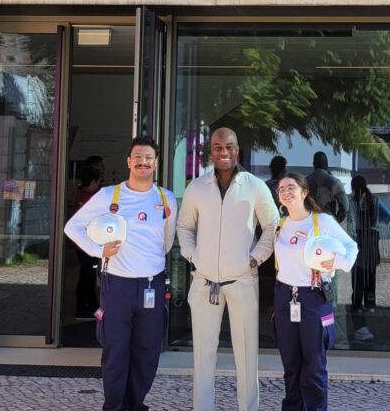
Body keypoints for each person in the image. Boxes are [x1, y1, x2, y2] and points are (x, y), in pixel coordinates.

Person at [65, 136, 177, 411]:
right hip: (117, 285)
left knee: (147, 352)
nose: (143, 162)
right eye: (137, 157)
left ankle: (135, 404)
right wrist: (97, 249)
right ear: (129, 161)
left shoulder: (166, 198)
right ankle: (114, 406)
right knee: (116, 351)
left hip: (152, 284)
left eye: (148, 157)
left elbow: (167, 241)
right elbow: (72, 227)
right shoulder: (108, 196)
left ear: (155, 162)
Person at [177, 127, 280, 411]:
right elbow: (184, 227)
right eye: (218, 147)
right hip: (204, 281)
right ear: (210, 150)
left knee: (247, 355)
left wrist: (254, 258)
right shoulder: (196, 187)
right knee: (203, 354)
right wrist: (193, 256)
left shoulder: (255, 186)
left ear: (238, 149)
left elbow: (272, 226)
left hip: (242, 281)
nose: (224, 152)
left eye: (230, 147)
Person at [273, 173, 357, 411]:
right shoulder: (279, 225)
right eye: (281, 190)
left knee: (314, 367)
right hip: (284, 298)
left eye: (291, 187)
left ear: (304, 192)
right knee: (291, 366)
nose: (286, 192)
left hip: (313, 297)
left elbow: (352, 247)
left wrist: (338, 262)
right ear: (279, 198)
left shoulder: (322, 222)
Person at [306, 152, 351, 349]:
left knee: (306, 285)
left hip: (308, 239)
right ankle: (335, 337)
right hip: (329, 239)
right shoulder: (334, 182)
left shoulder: (305, 182)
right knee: (330, 287)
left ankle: (311, 334)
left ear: (313, 163)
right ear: (327, 163)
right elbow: (345, 207)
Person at [350, 176, 390, 341]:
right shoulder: (375, 200)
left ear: (353, 187)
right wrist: (378, 222)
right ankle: (370, 304)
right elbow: (388, 217)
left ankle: (357, 305)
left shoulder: (352, 202)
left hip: (359, 239)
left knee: (358, 273)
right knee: (371, 272)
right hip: (373, 238)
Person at [70, 163, 103, 318]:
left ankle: (89, 304)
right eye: (98, 182)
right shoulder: (88, 198)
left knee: (87, 274)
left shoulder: (79, 195)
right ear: (93, 183)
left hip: (82, 244)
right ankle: (85, 306)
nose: (98, 185)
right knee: (87, 276)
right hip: (86, 244)